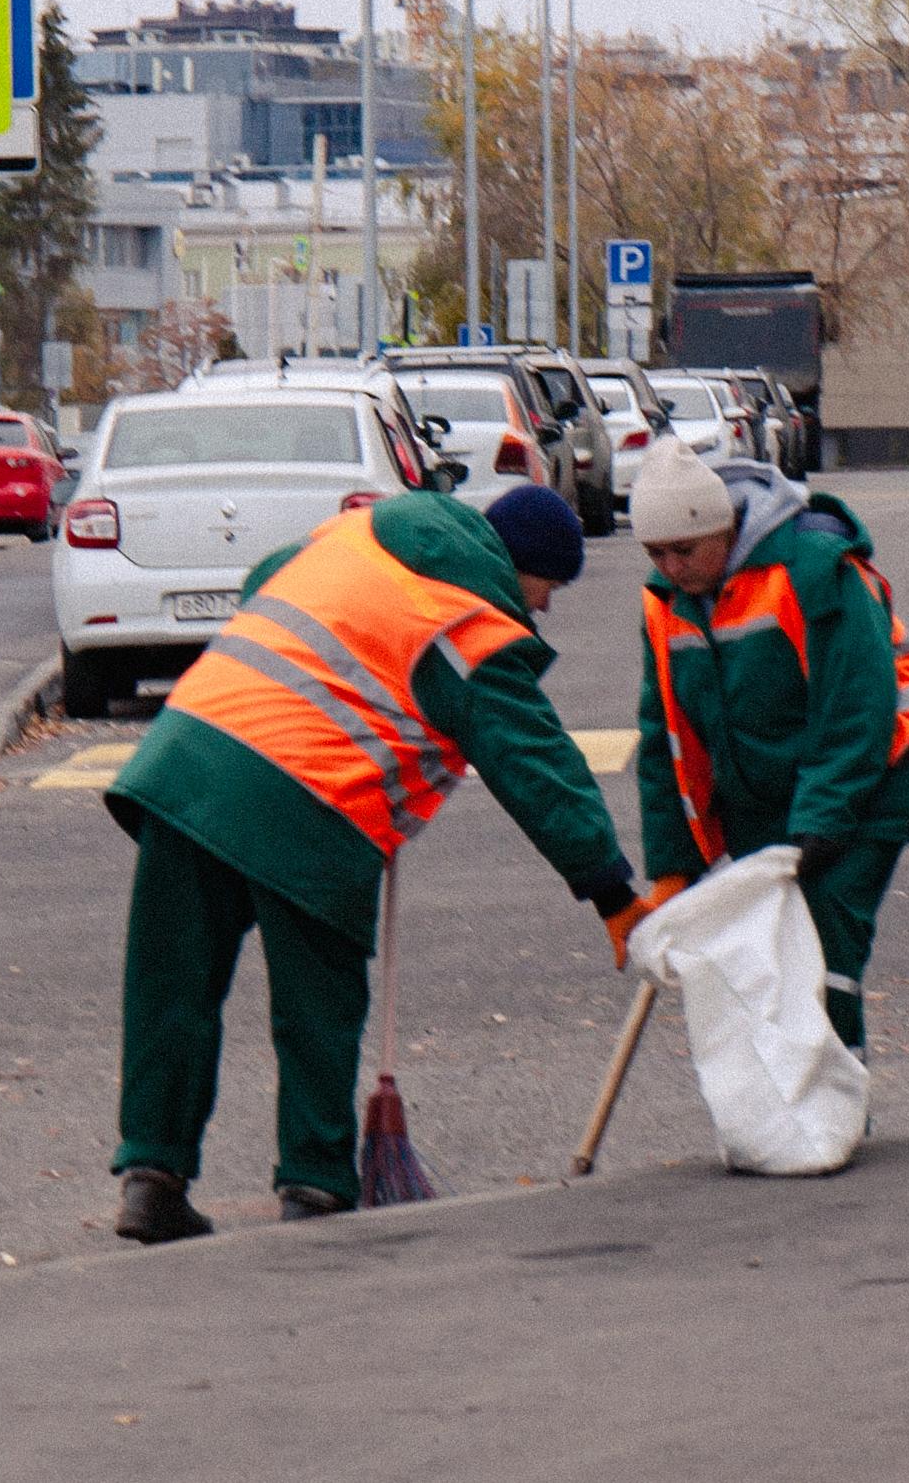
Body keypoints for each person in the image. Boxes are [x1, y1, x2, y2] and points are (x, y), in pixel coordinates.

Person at [104, 485, 637, 1243]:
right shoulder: (464, 620)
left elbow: (267, 577)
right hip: (308, 792)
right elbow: (535, 762)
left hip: (188, 757)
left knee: (173, 985)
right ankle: (315, 1182)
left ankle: (152, 1177)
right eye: (548, 585)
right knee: (316, 1002)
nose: (544, 607)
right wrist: (611, 888)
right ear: (521, 567)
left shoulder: (356, 536)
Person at [620, 436, 909, 1056]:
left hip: (879, 775)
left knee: (824, 943)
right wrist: (672, 864)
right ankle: (787, 1111)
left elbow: (856, 706)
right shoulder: (666, 602)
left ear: (725, 527)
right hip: (770, 792)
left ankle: (834, 1103)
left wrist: (821, 818)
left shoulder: (815, 568)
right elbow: (664, 738)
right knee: (766, 951)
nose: (672, 568)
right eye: (655, 553)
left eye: (684, 550)